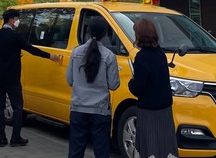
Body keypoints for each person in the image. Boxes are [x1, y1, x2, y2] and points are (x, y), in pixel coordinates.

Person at [0, 8, 60, 147]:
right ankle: (15, 138)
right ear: (11, 20)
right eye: (17, 19)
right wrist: (50, 56)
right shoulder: (15, 36)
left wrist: (16, 54)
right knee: (17, 107)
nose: (18, 22)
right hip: (12, 79)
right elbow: (31, 49)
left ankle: (2, 139)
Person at [65, 16, 120, 158]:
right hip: (100, 111)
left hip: (78, 108)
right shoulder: (109, 56)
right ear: (105, 34)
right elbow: (114, 85)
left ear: (88, 31)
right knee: (101, 151)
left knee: (75, 152)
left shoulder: (76, 52)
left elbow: (69, 80)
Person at [128, 18, 178, 158]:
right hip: (164, 108)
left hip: (148, 109)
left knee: (149, 147)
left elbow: (139, 87)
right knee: (165, 146)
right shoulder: (161, 54)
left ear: (139, 35)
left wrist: (131, 83)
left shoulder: (141, 57)